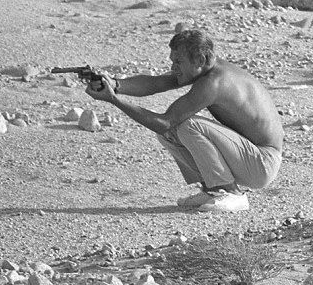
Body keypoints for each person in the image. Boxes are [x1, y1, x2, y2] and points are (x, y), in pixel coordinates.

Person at [84, 29, 284, 212]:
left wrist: (113, 99)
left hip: (262, 163)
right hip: (251, 157)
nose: (173, 67)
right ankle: (212, 189)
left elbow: (164, 121)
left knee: (186, 125)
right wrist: (116, 84)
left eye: (178, 62)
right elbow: (158, 83)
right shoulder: (206, 68)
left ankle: (232, 193)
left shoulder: (213, 82)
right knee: (171, 133)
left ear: (200, 59)